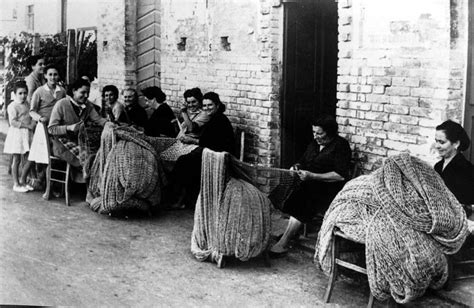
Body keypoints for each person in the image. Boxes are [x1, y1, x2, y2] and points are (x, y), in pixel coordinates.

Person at [270, 115, 352, 256]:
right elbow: (303, 161)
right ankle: (293, 230)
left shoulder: (341, 146)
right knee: (287, 187)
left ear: (330, 132)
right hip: (310, 183)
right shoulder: (314, 144)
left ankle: (285, 241)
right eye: (314, 132)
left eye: (319, 133)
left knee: (303, 195)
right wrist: (296, 167)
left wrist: (313, 176)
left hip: (330, 187)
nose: (315, 136)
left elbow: (340, 175)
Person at [170, 92, 235, 209]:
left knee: (184, 162)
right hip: (210, 151)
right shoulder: (214, 118)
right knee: (184, 159)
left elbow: (214, 143)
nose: (206, 108)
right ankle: (184, 199)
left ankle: (181, 200)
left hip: (218, 156)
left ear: (217, 105)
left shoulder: (219, 120)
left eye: (210, 105)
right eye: (204, 106)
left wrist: (192, 141)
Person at [48, 78, 107, 168]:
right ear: (74, 91)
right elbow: (51, 129)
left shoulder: (88, 105)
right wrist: (69, 128)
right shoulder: (61, 104)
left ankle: (83, 179)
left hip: (77, 142)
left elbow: (98, 119)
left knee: (98, 155)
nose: (86, 96)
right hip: (61, 144)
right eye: (82, 93)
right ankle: (83, 179)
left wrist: (109, 124)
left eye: (88, 93)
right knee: (89, 160)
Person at [434, 120, 474, 217]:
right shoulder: (438, 166)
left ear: (456, 144)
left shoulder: (467, 170)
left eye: (442, 142)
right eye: (436, 141)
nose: (436, 146)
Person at [3, 81, 35, 192]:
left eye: (25, 93)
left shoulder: (27, 104)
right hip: (17, 134)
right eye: (20, 93)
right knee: (16, 159)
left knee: (28, 158)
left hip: (27, 134)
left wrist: (32, 124)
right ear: (15, 94)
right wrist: (28, 126)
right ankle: (16, 184)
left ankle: (23, 181)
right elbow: (13, 122)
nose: (23, 95)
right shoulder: (12, 106)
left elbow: (31, 115)